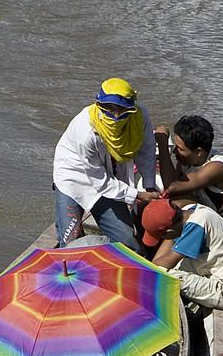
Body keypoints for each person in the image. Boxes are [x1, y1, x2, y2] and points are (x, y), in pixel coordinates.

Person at [52, 77, 161, 250]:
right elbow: (99, 180)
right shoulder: (86, 130)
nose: (116, 117)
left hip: (110, 177)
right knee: (71, 242)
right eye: (109, 110)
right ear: (99, 105)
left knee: (128, 244)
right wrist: (138, 195)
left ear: (132, 109)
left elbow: (146, 152)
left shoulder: (140, 118)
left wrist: (149, 186)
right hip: (74, 175)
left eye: (123, 111)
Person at [139, 196, 223, 313]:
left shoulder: (197, 225)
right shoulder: (190, 211)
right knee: (160, 270)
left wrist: (140, 272)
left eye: (162, 237)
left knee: (162, 275)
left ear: (169, 231)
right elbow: (162, 255)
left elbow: (162, 266)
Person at [155, 114, 223, 233]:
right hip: (209, 217)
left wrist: (162, 143)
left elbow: (171, 186)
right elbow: (172, 190)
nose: (175, 152)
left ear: (198, 152)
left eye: (180, 149)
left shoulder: (218, 166)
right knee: (161, 202)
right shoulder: (186, 161)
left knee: (172, 206)